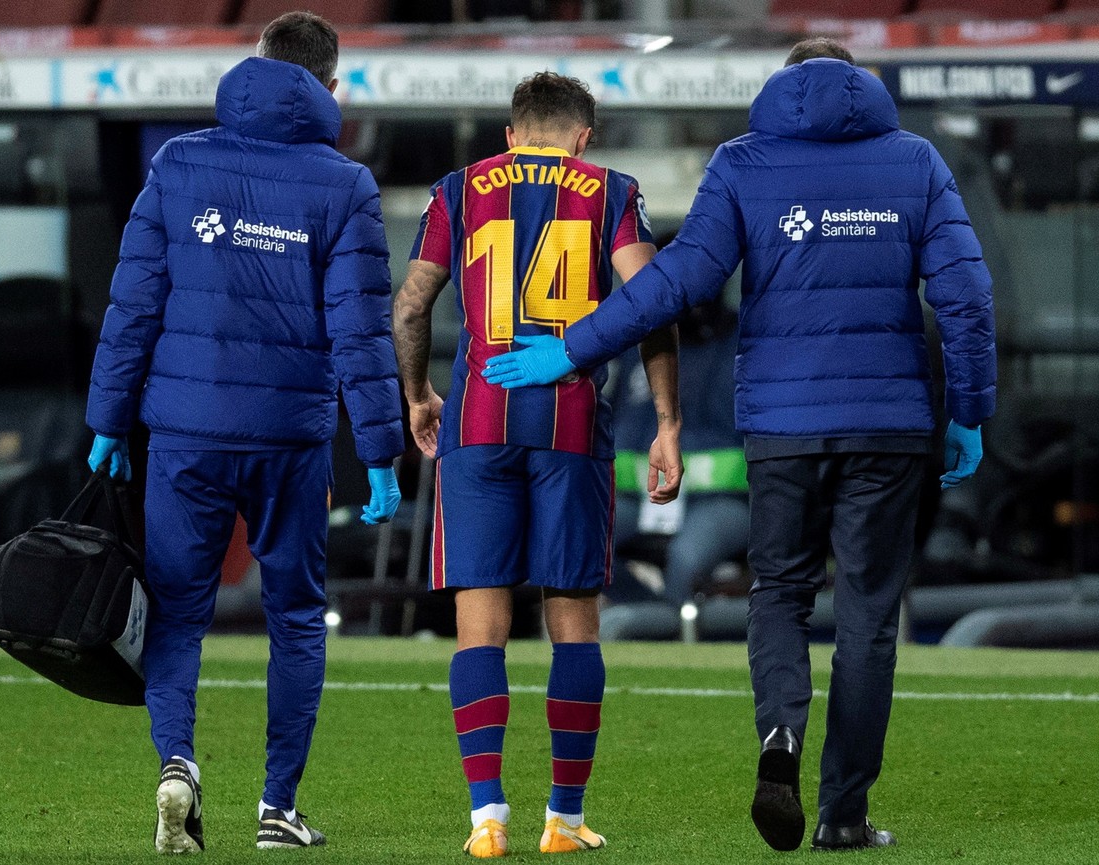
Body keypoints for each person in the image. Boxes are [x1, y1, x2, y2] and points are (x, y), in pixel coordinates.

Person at [482, 39, 996, 851]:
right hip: (889, 423)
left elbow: (678, 278)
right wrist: (968, 412)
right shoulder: (916, 162)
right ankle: (843, 813)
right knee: (867, 614)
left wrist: (574, 346)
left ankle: (779, 737)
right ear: (859, 83)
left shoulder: (746, 161)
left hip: (782, 426)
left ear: (782, 85)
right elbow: (966, 295)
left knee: (779, 592)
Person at [83, 12, 404, 853]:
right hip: (289, 443)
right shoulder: (345, 185)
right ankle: (276, 809)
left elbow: (133, 306)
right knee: (295, 617)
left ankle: (178, 764)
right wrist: (379, 452)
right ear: (331, 87)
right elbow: (360, 333)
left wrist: (107, 421)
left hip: (182, 435)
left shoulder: (179, 164)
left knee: (178, 617)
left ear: (255, 65)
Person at [393, 72, 683, 858]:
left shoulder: (458, 187)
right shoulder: (610, 190)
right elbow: (653, 303)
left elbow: (412, 304)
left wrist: (420, 392)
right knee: (572, 625)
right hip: (571, 425)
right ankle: (563, 817)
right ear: (583, 136)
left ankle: (487, 817)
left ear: (510, 134)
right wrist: (667, 420)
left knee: (478, 626)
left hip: (477, 425)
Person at [607, 299, 747, 607]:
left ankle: (669, 632)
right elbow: (619, 428)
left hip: (722, 500)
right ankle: (647, 618)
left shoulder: (744, 339)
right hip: (641, 497)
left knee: (687, 557)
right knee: (583, 542)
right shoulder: (638, 344)